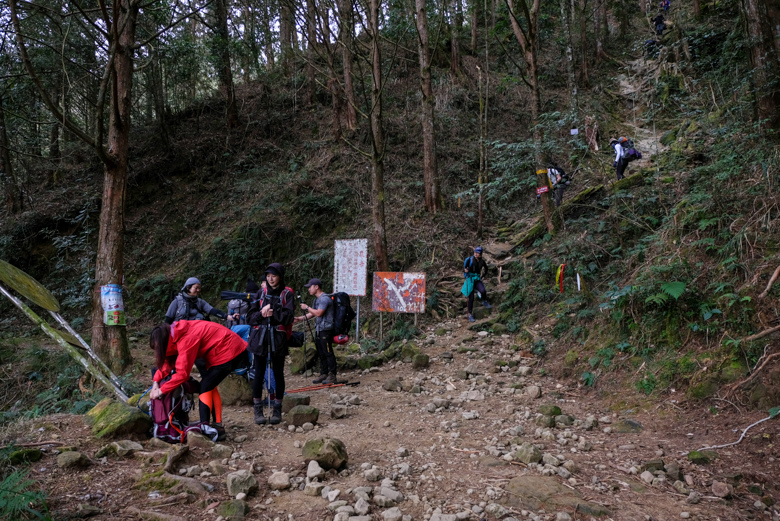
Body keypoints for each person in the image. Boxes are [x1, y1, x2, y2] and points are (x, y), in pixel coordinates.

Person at [148, 320, 248, 441]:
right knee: (210, 385)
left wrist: (161, 391)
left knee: (205, 387)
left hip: (228, 349)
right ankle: (218, 426)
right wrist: (155, 383)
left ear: (164, 342)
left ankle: (205, 427)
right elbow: (168, 364)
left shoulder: (186, 339)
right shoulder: (175, 336)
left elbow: (182, 374)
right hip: (216, 350)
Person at [247, 263, 295, 425]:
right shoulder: (260, 293)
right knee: (258, 373)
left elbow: (288, 317)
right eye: (268, 276)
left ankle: (277, 409)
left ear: (280, 276)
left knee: (278, 373)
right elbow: (250, 317)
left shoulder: (287, 294)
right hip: (260, 337)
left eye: (273, 276)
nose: (270, 279)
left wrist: (272, 310)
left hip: (278, 338)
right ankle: (258, 409)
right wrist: (261, 313)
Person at [294, 278, 337, 385]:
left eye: (310, 287)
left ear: (316, 287)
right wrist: (299, 318)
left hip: (326, 329)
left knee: (328, 352)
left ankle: (332, 375)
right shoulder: (316, 300)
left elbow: (318, 313)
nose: (309, 289)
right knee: (321, 352)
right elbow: (312, 314)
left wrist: (306, 307)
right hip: (319, 329)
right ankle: (324, 373)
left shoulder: (324, 299)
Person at [462, 247, 491, 322]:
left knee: (483, 291)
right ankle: (470, 314)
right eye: (475, 252)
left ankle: (484, 300)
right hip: (470, 279)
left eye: (477, 253)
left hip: (477, 279)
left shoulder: (482, 261)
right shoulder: (469, 260)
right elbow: (465, 269)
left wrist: (483, 276)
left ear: (480, 254)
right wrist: (466, 272)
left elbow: (486, 269)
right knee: (471, 298)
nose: (476, 254)